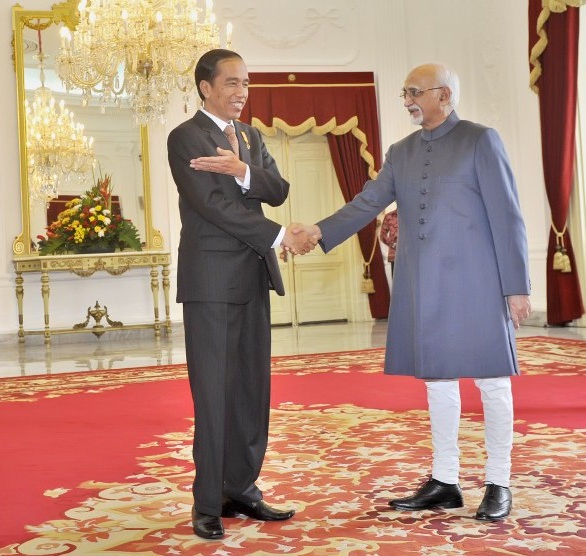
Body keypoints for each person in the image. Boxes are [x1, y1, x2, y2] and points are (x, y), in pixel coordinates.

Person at [295, 63, 530, 521]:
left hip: (480, 282)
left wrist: (516, 286)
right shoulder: (401, 151)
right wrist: (318, 230)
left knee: (491, 381)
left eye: (414, 92)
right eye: (405, 92)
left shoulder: (481, 140)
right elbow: (368, 201)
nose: (406, 100)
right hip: (424, 285)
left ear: (444, 95)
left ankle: (498, 481)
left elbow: (508, 214)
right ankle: (445, 480)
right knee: (437, 381)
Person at [167, 48, 316, 540]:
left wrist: (243, 171)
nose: (241, 93)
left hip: (253, 279)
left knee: (252, 391)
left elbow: (278, 188)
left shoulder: (249, 137)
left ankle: (242, 489)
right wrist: (279, 237)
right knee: (214, 394)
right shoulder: (185, 136)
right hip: (211, 284)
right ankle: (207, 501)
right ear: (206, 86)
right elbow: (212, 206)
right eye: (231, 83)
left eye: (246, 84)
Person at [379, 209, 398, 276]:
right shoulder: (389, 216)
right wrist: (393, 244)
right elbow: (382, 235)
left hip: (411, 256)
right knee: (396, 283)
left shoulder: (412, 216)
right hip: (395, 255)